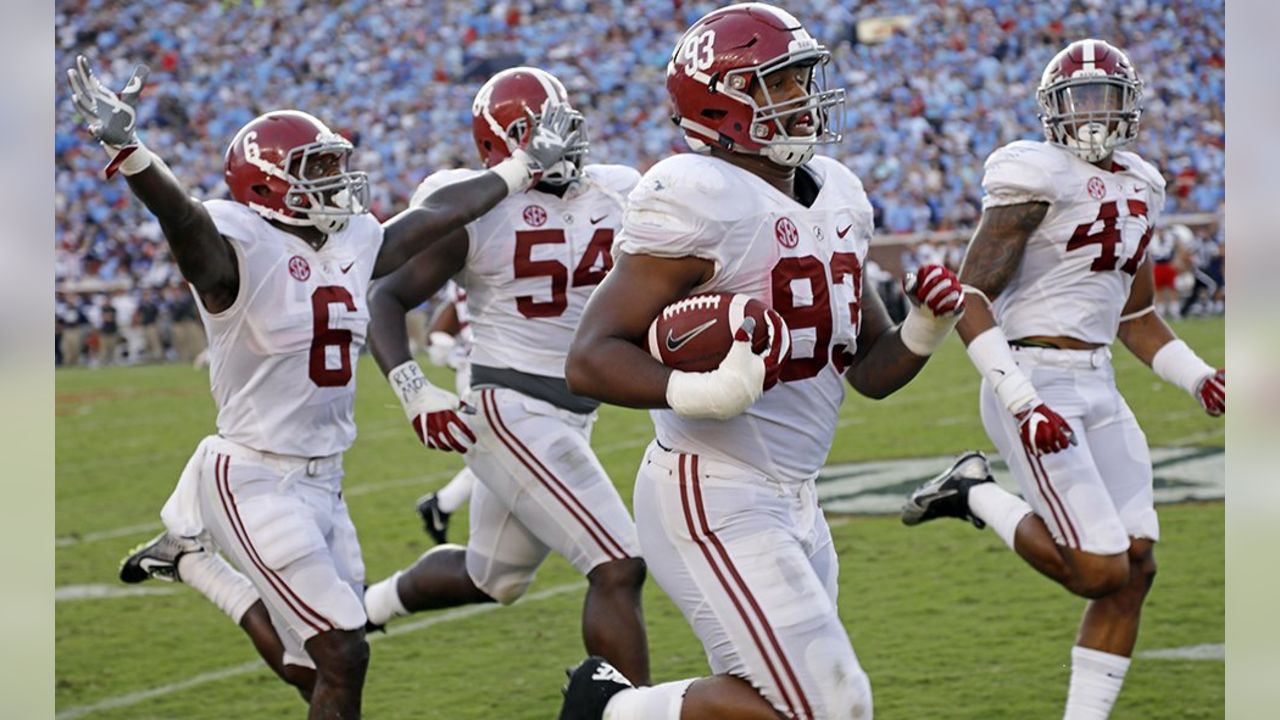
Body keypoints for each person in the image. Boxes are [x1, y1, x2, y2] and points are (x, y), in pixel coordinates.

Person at [69, 53, 580, 718]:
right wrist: (132, 152)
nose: (338, 177)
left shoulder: (350, 240)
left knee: (316, 669)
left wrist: (521, 169)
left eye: (335, 162)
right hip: (252, 473)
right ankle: (196, 548)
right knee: (343, 649)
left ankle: (194, 563)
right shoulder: (233, 250)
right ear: (264, 185)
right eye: (318, 168)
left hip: (325, 478)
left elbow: (434, 217)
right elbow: (184, 220)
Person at [557, 5, 965, 719]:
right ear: (721, 100)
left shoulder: (836, 191)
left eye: (803, 78)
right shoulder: (696, 194)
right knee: (834, 707)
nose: (803, 98)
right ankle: (610, 712)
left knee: (769, 704)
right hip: (711, 488)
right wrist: (700, 391)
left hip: (796, 494)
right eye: (780, 83)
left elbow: (868, 369)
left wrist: (925, 329)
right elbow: (590, 359)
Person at [900, 39, 1226, 720]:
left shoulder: (1144, 183)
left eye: (1105, 98)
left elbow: (1136, 316)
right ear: (1052, 110)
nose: (1092, 114)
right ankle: (975, 493)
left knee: (1136, 566)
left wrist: (1199, 378)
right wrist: (1020, 398)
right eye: (1078, 100)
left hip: (1098, 380)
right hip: (1033, 376)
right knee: (1099, 568)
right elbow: (971, 297)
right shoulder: (1031, 174)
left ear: (1129, 106)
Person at [360, 66, 651, 686]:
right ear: (497, 146)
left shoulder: (618, 189)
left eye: (560, 124)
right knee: (618, 563)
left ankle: (363, 607)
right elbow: (384, 295)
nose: (557, 141)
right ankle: (627, 708)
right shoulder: (474, 205)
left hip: (574, 410)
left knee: (495, 578)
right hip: (509, 407)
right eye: (532, 132)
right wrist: (413, 390)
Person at [414, 279, 477, 545]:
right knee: (505, 453)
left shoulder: (465, 272)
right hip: (488, 372)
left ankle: (441, 505)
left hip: (476, 370)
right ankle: (442, 504)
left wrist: (450, 354)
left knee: (502, 452)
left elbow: (438, 335)